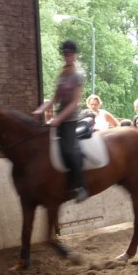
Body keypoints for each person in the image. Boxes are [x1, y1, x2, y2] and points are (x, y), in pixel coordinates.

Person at [33, 39, 88, 202]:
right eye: (65, 53)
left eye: (70, 53)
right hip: (60, 117)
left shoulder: (78, 74)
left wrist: (59, 118)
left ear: (75, 54)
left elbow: (74, 103)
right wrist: (41, 109)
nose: (67, 56)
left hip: (70, 119)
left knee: (69, 150)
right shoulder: (62, 73)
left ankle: (80, 187)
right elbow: (55, 98)